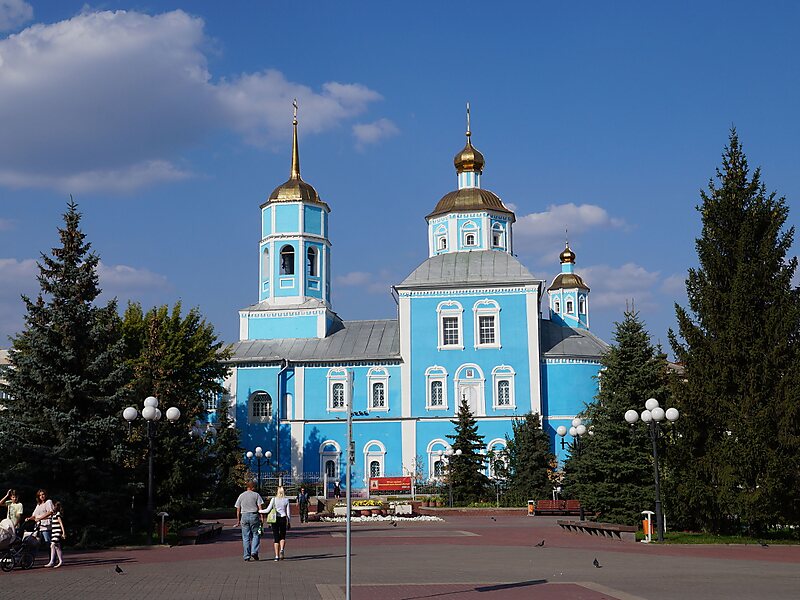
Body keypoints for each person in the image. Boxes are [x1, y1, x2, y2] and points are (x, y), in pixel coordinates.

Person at [234, 481, 265, 561]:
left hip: (244, 516)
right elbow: (260, 508)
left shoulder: (241, 495)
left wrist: (238, 520)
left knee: (245, 537)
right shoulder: (256, 495)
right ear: (253, 488)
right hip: (254, 516)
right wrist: (262, 517)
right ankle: (254, 551)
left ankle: (246, 556)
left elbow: (238, 509)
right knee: (256, 534)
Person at [260, 486, 291, 561]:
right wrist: (289, 521)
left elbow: (268, 510)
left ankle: (276, 556)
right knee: (282, 536)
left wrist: (260, 511)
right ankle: (282, 549)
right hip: (283, 518)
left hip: (275, 519)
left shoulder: (273, 499)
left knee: (276, 537)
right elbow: (288, 513)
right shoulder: (286, 500)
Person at [45, 501, 65, 568]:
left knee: (52, 545)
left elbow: (61, 523)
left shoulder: (58, 514)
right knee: (57, 547)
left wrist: (63, 532)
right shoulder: (54, 515)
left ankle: (52, 561)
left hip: (57, 532)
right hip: (54, 532)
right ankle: (60, 561)